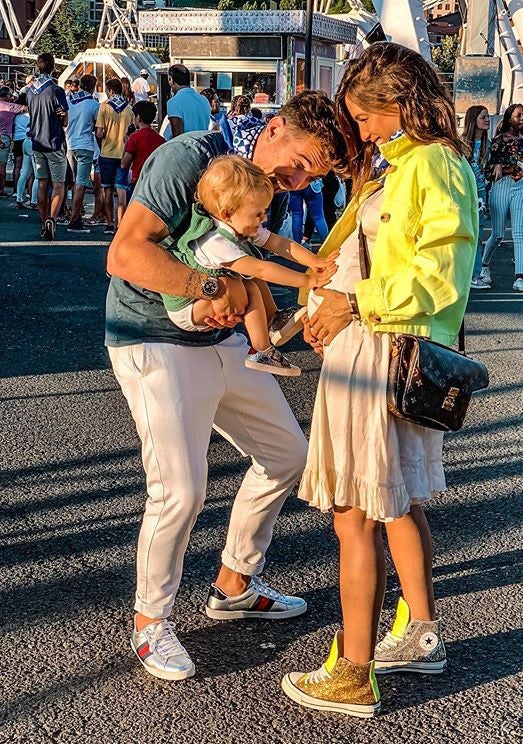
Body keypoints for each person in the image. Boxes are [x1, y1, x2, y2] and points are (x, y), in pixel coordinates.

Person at [105, 90, 347, 682]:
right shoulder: (189, 157)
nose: (297, 180)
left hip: (225, 342)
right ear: (277, 126)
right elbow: (125, 253)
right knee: (180, 490)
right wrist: (209, 290)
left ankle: (235, 583)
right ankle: (149, 623)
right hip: (154, 338)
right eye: (300, 161)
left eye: (311, 176)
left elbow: (262, 260)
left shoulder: (267, 191)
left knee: (287, 455)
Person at [280, 42, 476, 718]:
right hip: (367, 346)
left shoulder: (433, 165)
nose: (359, 133)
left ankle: (355, 672)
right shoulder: (402, 166)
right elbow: (347, 255)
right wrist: (317, 306)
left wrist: (350, 304)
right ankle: (420, 635)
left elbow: (441, 274)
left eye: (365, 118)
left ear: (400, 103)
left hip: (379, 352)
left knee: (355, 513)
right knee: (392, 501)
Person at [162, 155, 336, 376]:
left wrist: (315, 262)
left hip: (207, 294)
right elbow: (261, 269)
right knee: (251, 283)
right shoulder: (215, 241)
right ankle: (261, 350)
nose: (262, 219)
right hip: (186, 307)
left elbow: (280, 243)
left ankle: (274, 321)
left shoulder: (239, 222)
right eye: (257, 213)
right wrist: (308, 279)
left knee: (250, 277)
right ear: (227, 213)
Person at [480, 104, 523, 292]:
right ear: (509, 117)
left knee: (519, 233)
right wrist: (498, 168)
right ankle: (484, 266)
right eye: (519, 115)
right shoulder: (497, 141)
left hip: (520, 186)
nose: (522, 118)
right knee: (498, 234)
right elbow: (487, 169)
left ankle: (520, 277)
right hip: (501, 185)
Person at [26, 53, 69, 241]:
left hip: (37, 142)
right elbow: (65, 119)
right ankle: (52, 218)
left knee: (42, 183)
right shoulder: (55, 90)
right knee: (59, 184)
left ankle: (44, 222)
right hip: (54, 141)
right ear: (52, 67)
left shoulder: (29, 91)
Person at [96, 77, 133, 235]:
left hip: (107, 152)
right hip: (124, 153)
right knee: (122, 190)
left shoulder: (104, 107)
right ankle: (121, 224)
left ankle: (110, 222)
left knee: (107, 190)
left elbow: (99, 132)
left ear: (110, 91)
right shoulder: (129, 108)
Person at [65, 74, 100, 233]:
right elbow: (97, 126)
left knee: (74, 181)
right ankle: (75, 217)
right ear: (93, 87)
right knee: (81, 182)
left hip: (70, 144)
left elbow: (64, 120)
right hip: (85, 144)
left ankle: (75, 213)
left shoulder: (69, 100)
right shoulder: (93, 104)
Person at [462, 105, 491, 289]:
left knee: (479, 232)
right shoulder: (462, 143)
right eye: (483, 117)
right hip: (467, 190)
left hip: (481, 191)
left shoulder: (488, 145)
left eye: (487, 116)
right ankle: (470, 273)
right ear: (473, 120)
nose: (487, 120)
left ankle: (477, 272)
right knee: (468, 231)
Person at [120, 100, 164, 204]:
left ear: (138, 117)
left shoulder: (135, 138)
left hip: (138, 182)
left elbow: (124, 164)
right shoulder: (160, 139)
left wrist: (126, 143)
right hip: (154, 184)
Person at [165, 64, 210, 139]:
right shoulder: (204, 100)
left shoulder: (173, 102)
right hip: (203, 146)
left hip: (186, 148)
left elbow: (177, 135)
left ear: (171, 80)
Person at [0, 86, 27, 196]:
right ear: (6, 96)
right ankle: (1, 189)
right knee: (2, 166)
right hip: (4, 137)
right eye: (10, 95)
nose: (12, 97)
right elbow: (26, 108)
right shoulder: (10, 107)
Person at [289, 178, 330, 246]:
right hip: (312, 183)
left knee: (296, 214)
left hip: (295, 183)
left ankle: (298, 246)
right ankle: (327, 245)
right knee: (319, 217)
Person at [11, 92, 30, 199]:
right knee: (29, 168)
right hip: (27, 139)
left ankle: (15, 189)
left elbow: (13, 128)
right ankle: (28, 190)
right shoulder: (31, 115)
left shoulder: (16, 116)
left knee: (17, 166)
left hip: (17, 139)